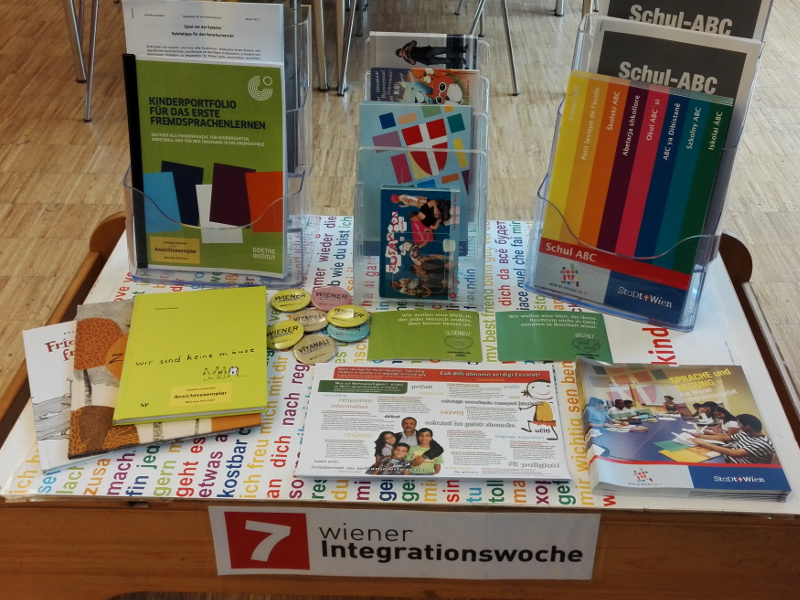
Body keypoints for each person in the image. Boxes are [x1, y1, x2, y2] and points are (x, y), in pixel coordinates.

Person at [691, 413, 776, 464]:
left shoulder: (762, 444)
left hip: (737, 467)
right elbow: (728, 437)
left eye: (739, 424)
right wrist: (700, 436)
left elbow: (734, 453)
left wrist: (704, 443)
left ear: (748, 426)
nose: (738, 426)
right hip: (726, 458)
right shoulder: (746, 433)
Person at [395, 40, 467, 67]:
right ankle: (460, 61)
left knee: (445, 50)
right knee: (446, 61)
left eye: (402, 51)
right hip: (428, 60)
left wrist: (410, 47)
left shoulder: (406, 46)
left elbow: (414, 42)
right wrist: (408, 57)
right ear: (402, 56)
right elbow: (413, 63)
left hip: (428, 51)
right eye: (402, 54)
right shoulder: (406, 59)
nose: (403, 53)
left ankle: (462, 49)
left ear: (402, 49)